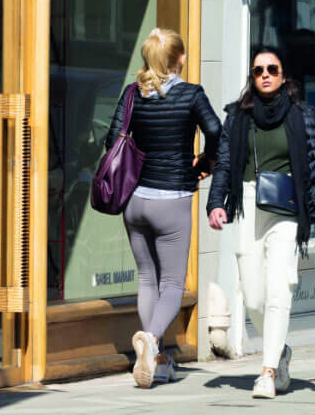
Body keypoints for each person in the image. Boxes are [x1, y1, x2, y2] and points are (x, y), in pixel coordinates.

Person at [207, 45, 315, 400]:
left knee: (279, 290)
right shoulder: (238, 116)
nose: (265, 74)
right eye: (259, 70)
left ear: (283, 75)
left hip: (287, 207)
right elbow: (225, 164)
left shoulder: (300, 114)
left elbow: (313, 168)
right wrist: (216, 203)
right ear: (252, 75)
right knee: (253, 297)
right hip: (247, 203)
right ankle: (281, 351)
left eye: (272, 69)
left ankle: (267, 371)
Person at [104, 27, 221, 389]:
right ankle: (151, 340)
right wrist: (205, 161)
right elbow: (217, 131)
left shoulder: (131, 95)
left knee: (146, 278)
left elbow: (111, 141)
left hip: (134, 200)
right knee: (172, 282)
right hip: (172, 199)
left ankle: (156, 360)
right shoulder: (190, 95)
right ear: (179, 58)